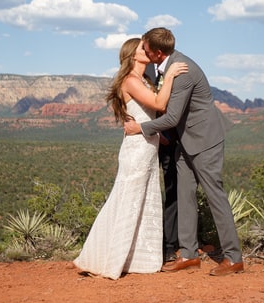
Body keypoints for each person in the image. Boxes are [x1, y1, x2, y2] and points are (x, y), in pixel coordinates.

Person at [124, 28, 244, 276]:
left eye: (145, 48)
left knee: (215, 197)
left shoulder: (182, 71)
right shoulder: (165, 66)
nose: (143, 52)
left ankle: (233, 258)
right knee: (185, 194)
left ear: (157, 53)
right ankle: (188, 254)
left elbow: (172, 117)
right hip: (185, 143)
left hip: (204, 141)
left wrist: (140, 128)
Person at [73, 37, 187, 279]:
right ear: (133, 55)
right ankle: (105, 258)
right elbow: (159, 102)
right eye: (141, 48)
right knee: (127, 200)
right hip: (136, 151)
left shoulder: (144, 80)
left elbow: (153, 113)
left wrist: (158, 136)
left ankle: (134, 259)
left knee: (143, 201)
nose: (146, 50)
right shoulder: (131, 81)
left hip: (147, 147)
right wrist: (171, 75)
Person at [144, 63, 179, 263]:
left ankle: (169, 244)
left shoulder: (169, 71)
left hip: (169, 141)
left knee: (171, 191)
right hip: (145, 139)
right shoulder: (142, 75)